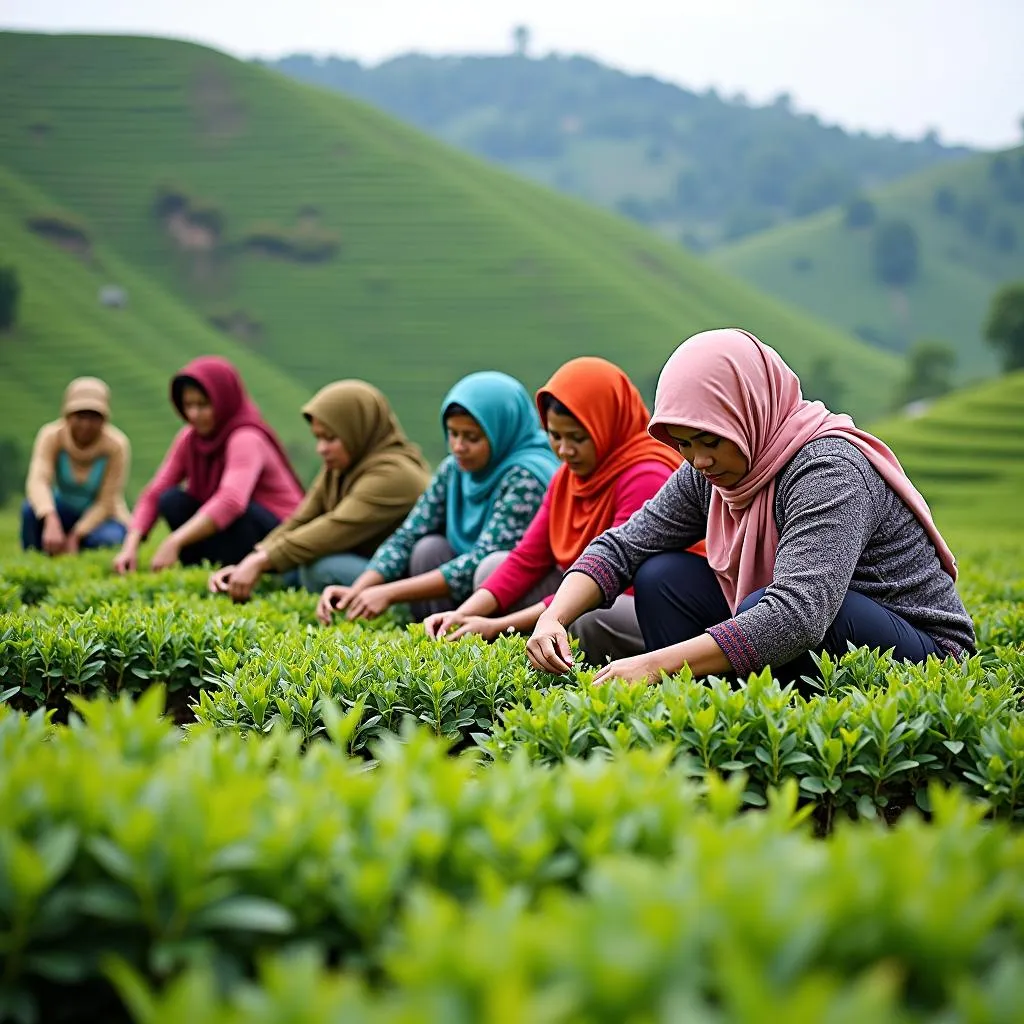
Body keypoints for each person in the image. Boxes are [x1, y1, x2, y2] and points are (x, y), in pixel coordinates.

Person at [526, 328, 976, 687]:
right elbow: (627, 544)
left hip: (924, 650)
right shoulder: (710, 471)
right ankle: (704, 711)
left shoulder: (829, 471)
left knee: (771, 606)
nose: (699, 460)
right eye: (683, 444)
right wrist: (555, 617)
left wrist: (653, 665)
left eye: (710, 441)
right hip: (818, 630)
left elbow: (797, 616)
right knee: (661, 576)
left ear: (749, 413)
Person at [423, 357, 705, 664]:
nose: (565, 450)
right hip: (581, 586)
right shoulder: (567, 477)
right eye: (555, 436)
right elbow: (526, 559)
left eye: (578, 438)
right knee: (493, 568)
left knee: (589, 617)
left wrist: (497, 625)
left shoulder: (644, 473)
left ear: (607, 425)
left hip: (634, 603)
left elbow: (618, 580)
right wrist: (463, 613)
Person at [316, 370, 559, 625]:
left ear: (502, 430)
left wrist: (388, 593)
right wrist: (359, 588)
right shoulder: (454, 469)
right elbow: (409, 534)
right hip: (468, 587)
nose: (458, 447)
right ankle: (440, 629)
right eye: (453, 434)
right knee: (427, 548)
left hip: (517, 590)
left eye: (472, 437)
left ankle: (490, 633)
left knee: (491, 565)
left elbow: (485, 557)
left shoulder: (527, 477)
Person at [208, 380, 431, 601]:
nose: (321, 449)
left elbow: (335, 528)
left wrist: (261, 561)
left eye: (331, 438)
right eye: (318, 438)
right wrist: (254, 558)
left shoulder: (394, 475)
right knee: (290, 565)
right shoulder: (341, 466)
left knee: (320, 568)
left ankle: (395, 611)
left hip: (398, 579)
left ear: (357, 429)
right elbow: (302, 519)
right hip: (362, 562)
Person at [113, 356, 304, 574]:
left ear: (223, 401)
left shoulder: (246, 437)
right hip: (234, 532)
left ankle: (243, 570)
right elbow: (156, 492)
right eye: (188, 405)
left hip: (276, 535)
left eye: (203, 405)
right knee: (172, 500)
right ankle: (208, 569)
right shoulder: (189, 439)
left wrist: (175, 541)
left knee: (241, 512)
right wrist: (130, 545)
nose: (193, 414)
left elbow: (231, 501)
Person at [22, 377, 131, 554]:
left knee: (106, 540)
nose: (86, 424)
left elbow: (106, 501)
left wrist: (77, 534)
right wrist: (50, 518)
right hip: (63, 507)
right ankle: (35, 555)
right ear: (67, 415)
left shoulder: (116, 445)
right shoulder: (52, 437)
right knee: (30, 510)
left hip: (102, 516)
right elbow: (38, 480)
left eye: (94, 417)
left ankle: (75, 548)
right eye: (80, 416)